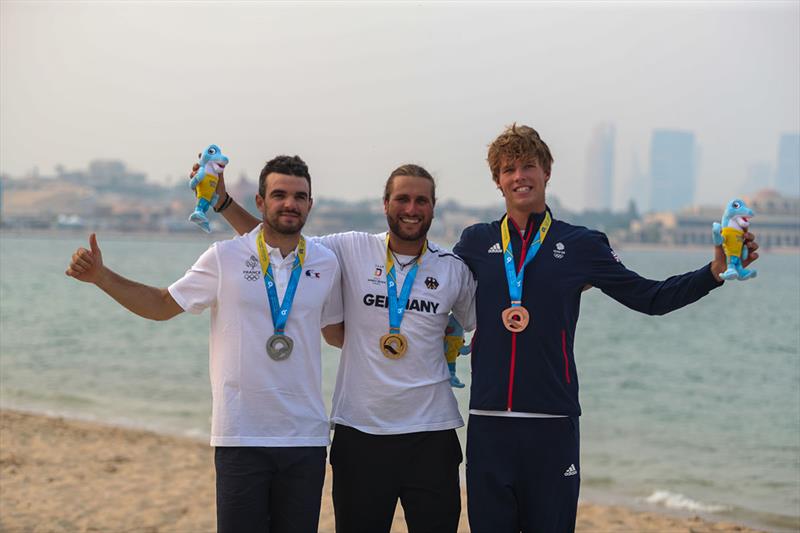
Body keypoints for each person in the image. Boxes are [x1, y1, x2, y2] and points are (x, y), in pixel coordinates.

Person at [452, 124, 760, 533]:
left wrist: (714, 273)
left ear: (547, 171)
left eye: (529, 165)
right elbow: (434, 299)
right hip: (488, 424)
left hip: (552, 425)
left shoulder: (581, 244)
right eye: (508, 169)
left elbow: (650, 298)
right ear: (497, 181)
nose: (519, 176)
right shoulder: (474, 242)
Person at [67, 155, 344, 533]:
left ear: (310, 204)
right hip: (239, 435)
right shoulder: (224, 257)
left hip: (306, 439)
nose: (289, 203)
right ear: (260, 202)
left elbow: (338, 332)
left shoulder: (326, 262)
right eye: (279, 194)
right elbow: (163, 305)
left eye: (299, 196)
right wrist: (102, 276)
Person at [207, 163, 476, 533]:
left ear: (433, 207)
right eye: (402, 199)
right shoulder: (350, 249)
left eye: (421, 201)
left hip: (432, 434)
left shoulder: (453, 269)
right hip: (359, 433)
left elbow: (484, 324)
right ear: (385, 204)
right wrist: (223, 203)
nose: (411, 209)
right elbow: (277, 239)